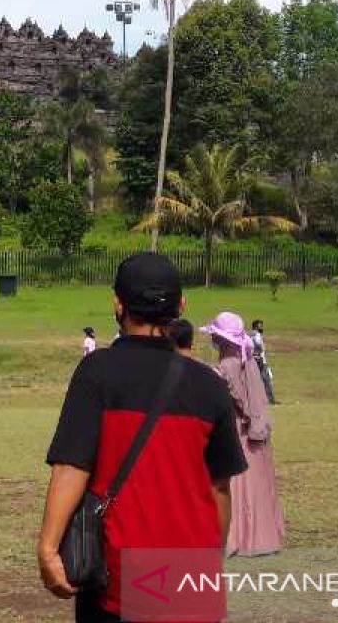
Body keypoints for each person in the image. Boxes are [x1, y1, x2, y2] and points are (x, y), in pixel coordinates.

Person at [38, 255, 247, 622]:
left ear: (118, 305)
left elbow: (72, 467)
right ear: (181, 306)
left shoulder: (96, 373)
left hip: (118, 579)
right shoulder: (209, 386)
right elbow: (219, 489)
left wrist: (49, 547)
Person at [202, 311, 285, 558]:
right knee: (258, 483)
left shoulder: (229, 363)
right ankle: (261, 534)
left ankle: (240, 537)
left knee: (238, 483)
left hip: (241, 428)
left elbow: (239, 397)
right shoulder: (245, 357)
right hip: (252, 427)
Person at [250, 320, 277, 404]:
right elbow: (260, 346)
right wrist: (262, 347)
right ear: (255, 327)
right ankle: (270, 400)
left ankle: (261, 399)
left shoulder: (251, 335)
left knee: (259, 380)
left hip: (256, 360)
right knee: (267, 380)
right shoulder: (256, 335)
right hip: (261, 361)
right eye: (260, 326)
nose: (261, 328)